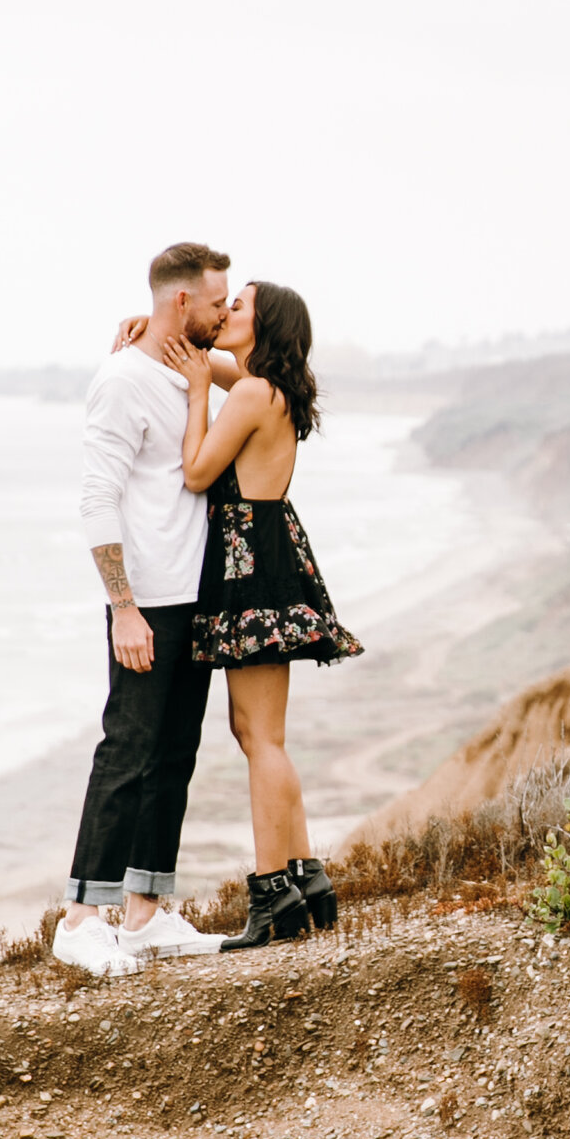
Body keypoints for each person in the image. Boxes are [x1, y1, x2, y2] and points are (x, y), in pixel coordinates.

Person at [53, 243, 239, 978]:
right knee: (127, 753)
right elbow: (97, 499)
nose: (225, 312)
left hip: (193, 596)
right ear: (183, 303)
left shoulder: (183, 370)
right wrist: (122, 607)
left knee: (174, 755)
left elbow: (255, 378)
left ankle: (145, 914)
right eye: (218, 302)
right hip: (147, 602)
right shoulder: (123, 379)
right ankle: (80, 919)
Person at [178, 277, 363, 944]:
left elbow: (197, 471)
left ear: (267, 325)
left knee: (262, 738)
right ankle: (303, 874)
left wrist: (198, 394)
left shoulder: (252, 393)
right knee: (258, 733)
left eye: (238, 306)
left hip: (250, 565)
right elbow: (206, 358)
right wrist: (155, 332)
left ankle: (271, 894)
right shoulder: (269, 387)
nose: (226, 312)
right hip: (268, 556)